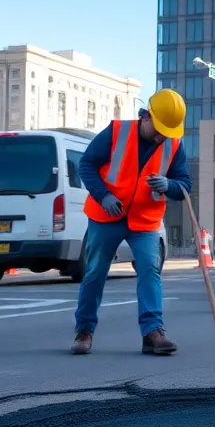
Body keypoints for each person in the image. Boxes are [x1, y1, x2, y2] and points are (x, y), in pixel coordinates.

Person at [71, 89, 190, 356]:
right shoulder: (116, 133)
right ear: (145, 116)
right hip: (107, 215)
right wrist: (104, 196)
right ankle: (84, 331)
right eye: (158, 130)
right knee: (95, 272)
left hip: (145, 220)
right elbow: (86, 164)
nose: (162, 137)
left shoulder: (173, 143)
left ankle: (153, 333)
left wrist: (169, 184)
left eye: (167, 132)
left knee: (150, 270)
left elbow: (184, 186)